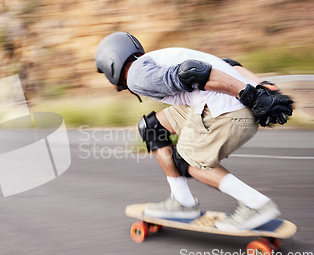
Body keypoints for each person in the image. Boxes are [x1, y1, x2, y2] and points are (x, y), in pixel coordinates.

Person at [95, 32, 294, 231]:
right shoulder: (155, 59)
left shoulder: (136, 76)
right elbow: (229, 64)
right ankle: (182, 202)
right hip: (224, 104)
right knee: (152, 128)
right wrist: (263, 89)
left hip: (228, 112)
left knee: (187, 161)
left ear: (112, 64)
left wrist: (251, 95)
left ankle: (256, 204)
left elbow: (194, 72)